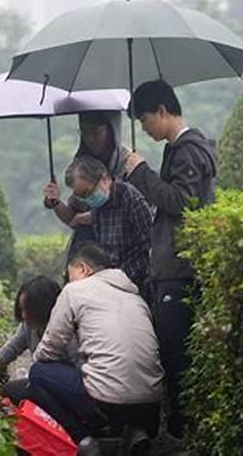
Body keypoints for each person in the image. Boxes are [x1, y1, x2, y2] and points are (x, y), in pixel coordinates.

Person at [125, 79, 217, 450]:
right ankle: (178, 429)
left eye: (145, 119)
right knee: (173, 352)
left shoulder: (188, 152)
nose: (145, 128)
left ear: (163, 110)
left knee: (177, 354)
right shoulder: (177, 150)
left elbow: (182, 202)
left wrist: (140, 172)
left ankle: (179, 434)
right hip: (171, 269)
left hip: (179, 272)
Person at [27, 242, 164, 456]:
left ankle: (85, 440)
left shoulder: (75, 290)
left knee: (38, 373)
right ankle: (132, 430)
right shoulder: (136, 298)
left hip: (107, 401)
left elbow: (49, 349)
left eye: (69, 274)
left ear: (83, 269)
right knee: (107, 379)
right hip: (151, 405)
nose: (67, 281)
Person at [46, 155, 153, 290]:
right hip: (105, 279)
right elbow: (72, 219)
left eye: (89, 193)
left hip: (133, 280)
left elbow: (149, 245)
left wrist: (123, 279)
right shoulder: (96, 205)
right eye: (83, 197)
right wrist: (55, 201)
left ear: (104, 178)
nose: (89, 199)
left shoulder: (129, 197)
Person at [43, 111, 135, 257]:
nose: (90, 138)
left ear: (111, 130)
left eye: (96, 131)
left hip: (123, 249)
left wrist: (94, 216)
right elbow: (73, 218)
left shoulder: (129, 164)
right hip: (88, 250)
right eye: (84, 132)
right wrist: (56, 202)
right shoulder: (81, 166)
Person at [0, 276, 78, 405]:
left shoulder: (67, 329)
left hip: (67, 390)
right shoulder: (28, 327)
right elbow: (10, 349)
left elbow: (78, 368)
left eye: (28, 310)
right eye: (21, 310)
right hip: (42, 384)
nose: (24, 315)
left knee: (38, 372)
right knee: (9, 390)